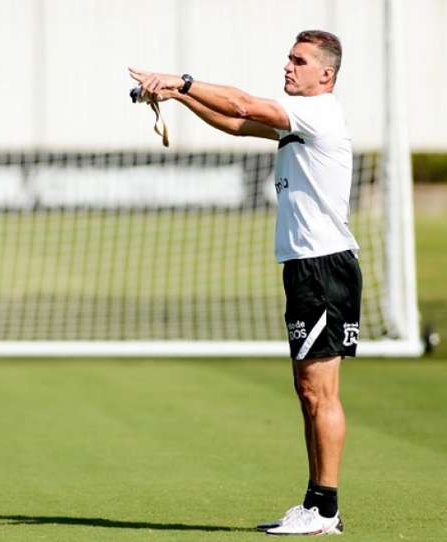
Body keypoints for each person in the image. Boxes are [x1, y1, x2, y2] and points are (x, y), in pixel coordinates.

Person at [129, 30, 361, 536]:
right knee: (309, 390)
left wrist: (183, 79)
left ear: (325, 74)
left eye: (299, 61)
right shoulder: (298, 121)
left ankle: (324, 510)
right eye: (288, 58)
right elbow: (236, 122)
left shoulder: (318, 112)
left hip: (323, 267)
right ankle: (318, 505)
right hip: (308, 267)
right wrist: (180, 97)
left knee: (319, 392)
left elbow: (242, 101)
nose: (288, 67)